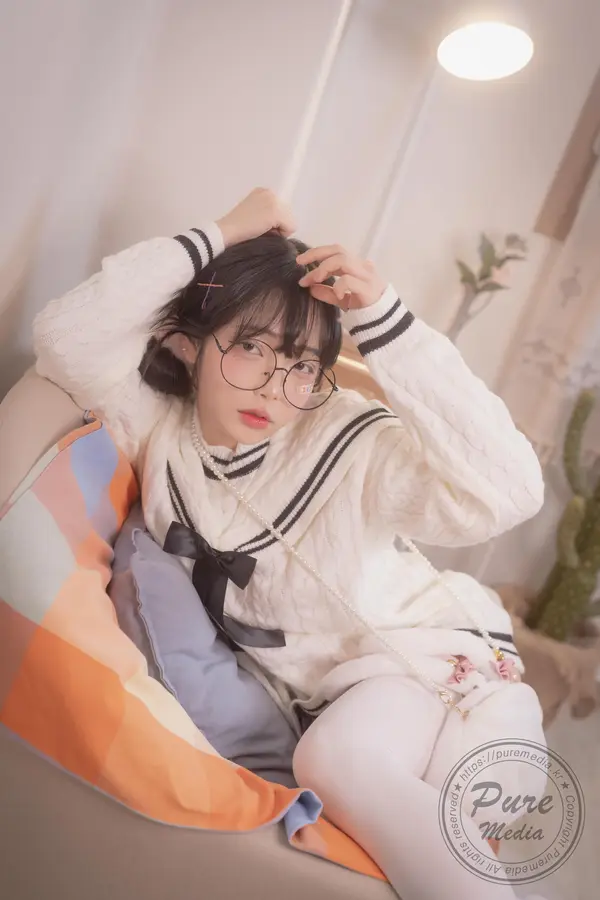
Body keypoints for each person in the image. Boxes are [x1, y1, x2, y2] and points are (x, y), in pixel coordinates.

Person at [34, 188, 548, 900]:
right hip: (343, 699)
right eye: (251, 347)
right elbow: (64, 340)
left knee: (338, 765)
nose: (275, 388)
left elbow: (510, 490)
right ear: (188, 345)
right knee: (422, 831)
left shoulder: (341, 434)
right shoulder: (158, 431)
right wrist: (223, 232)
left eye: (302, 364)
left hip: (428, 664)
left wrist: (384, 319)